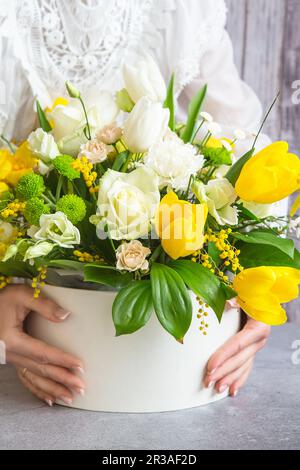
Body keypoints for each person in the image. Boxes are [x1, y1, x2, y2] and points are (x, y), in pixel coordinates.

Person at [0, 0, 271, 406]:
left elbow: (246, 145)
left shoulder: (184, 10)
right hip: (42, 331)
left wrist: (260, 289)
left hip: (186, 362)